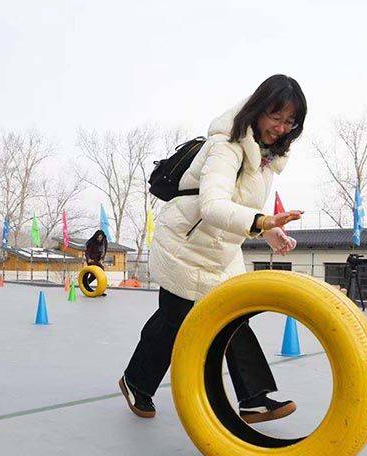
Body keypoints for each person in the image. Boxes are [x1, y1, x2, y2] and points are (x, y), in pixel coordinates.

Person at [120, 74, 306, 423]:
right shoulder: (226, 147)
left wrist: (268, 232)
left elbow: (240, 207)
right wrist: (262, 222)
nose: (281, 128)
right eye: (276, 117)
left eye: (289, 122)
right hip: (185, 245)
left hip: (221, 252)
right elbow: (212, 207)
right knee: (173, 320)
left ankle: (254, 399)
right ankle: (135, 381)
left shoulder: (264, 161)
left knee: (234, 316)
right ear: (257, 110)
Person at [84, 230, 108, 296]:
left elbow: (104, 251)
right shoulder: (92, 242)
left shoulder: (104, 241)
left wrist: (102, 259)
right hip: (91, 260)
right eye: (98, 237)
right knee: (99, 270)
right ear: (96, 237)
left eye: (101, 237)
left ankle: (99, 289)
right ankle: (86, 285)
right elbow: (87, 252)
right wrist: (88, 259)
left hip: (98, 260)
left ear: (103, 237)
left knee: (95, 275)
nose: (99, 239)